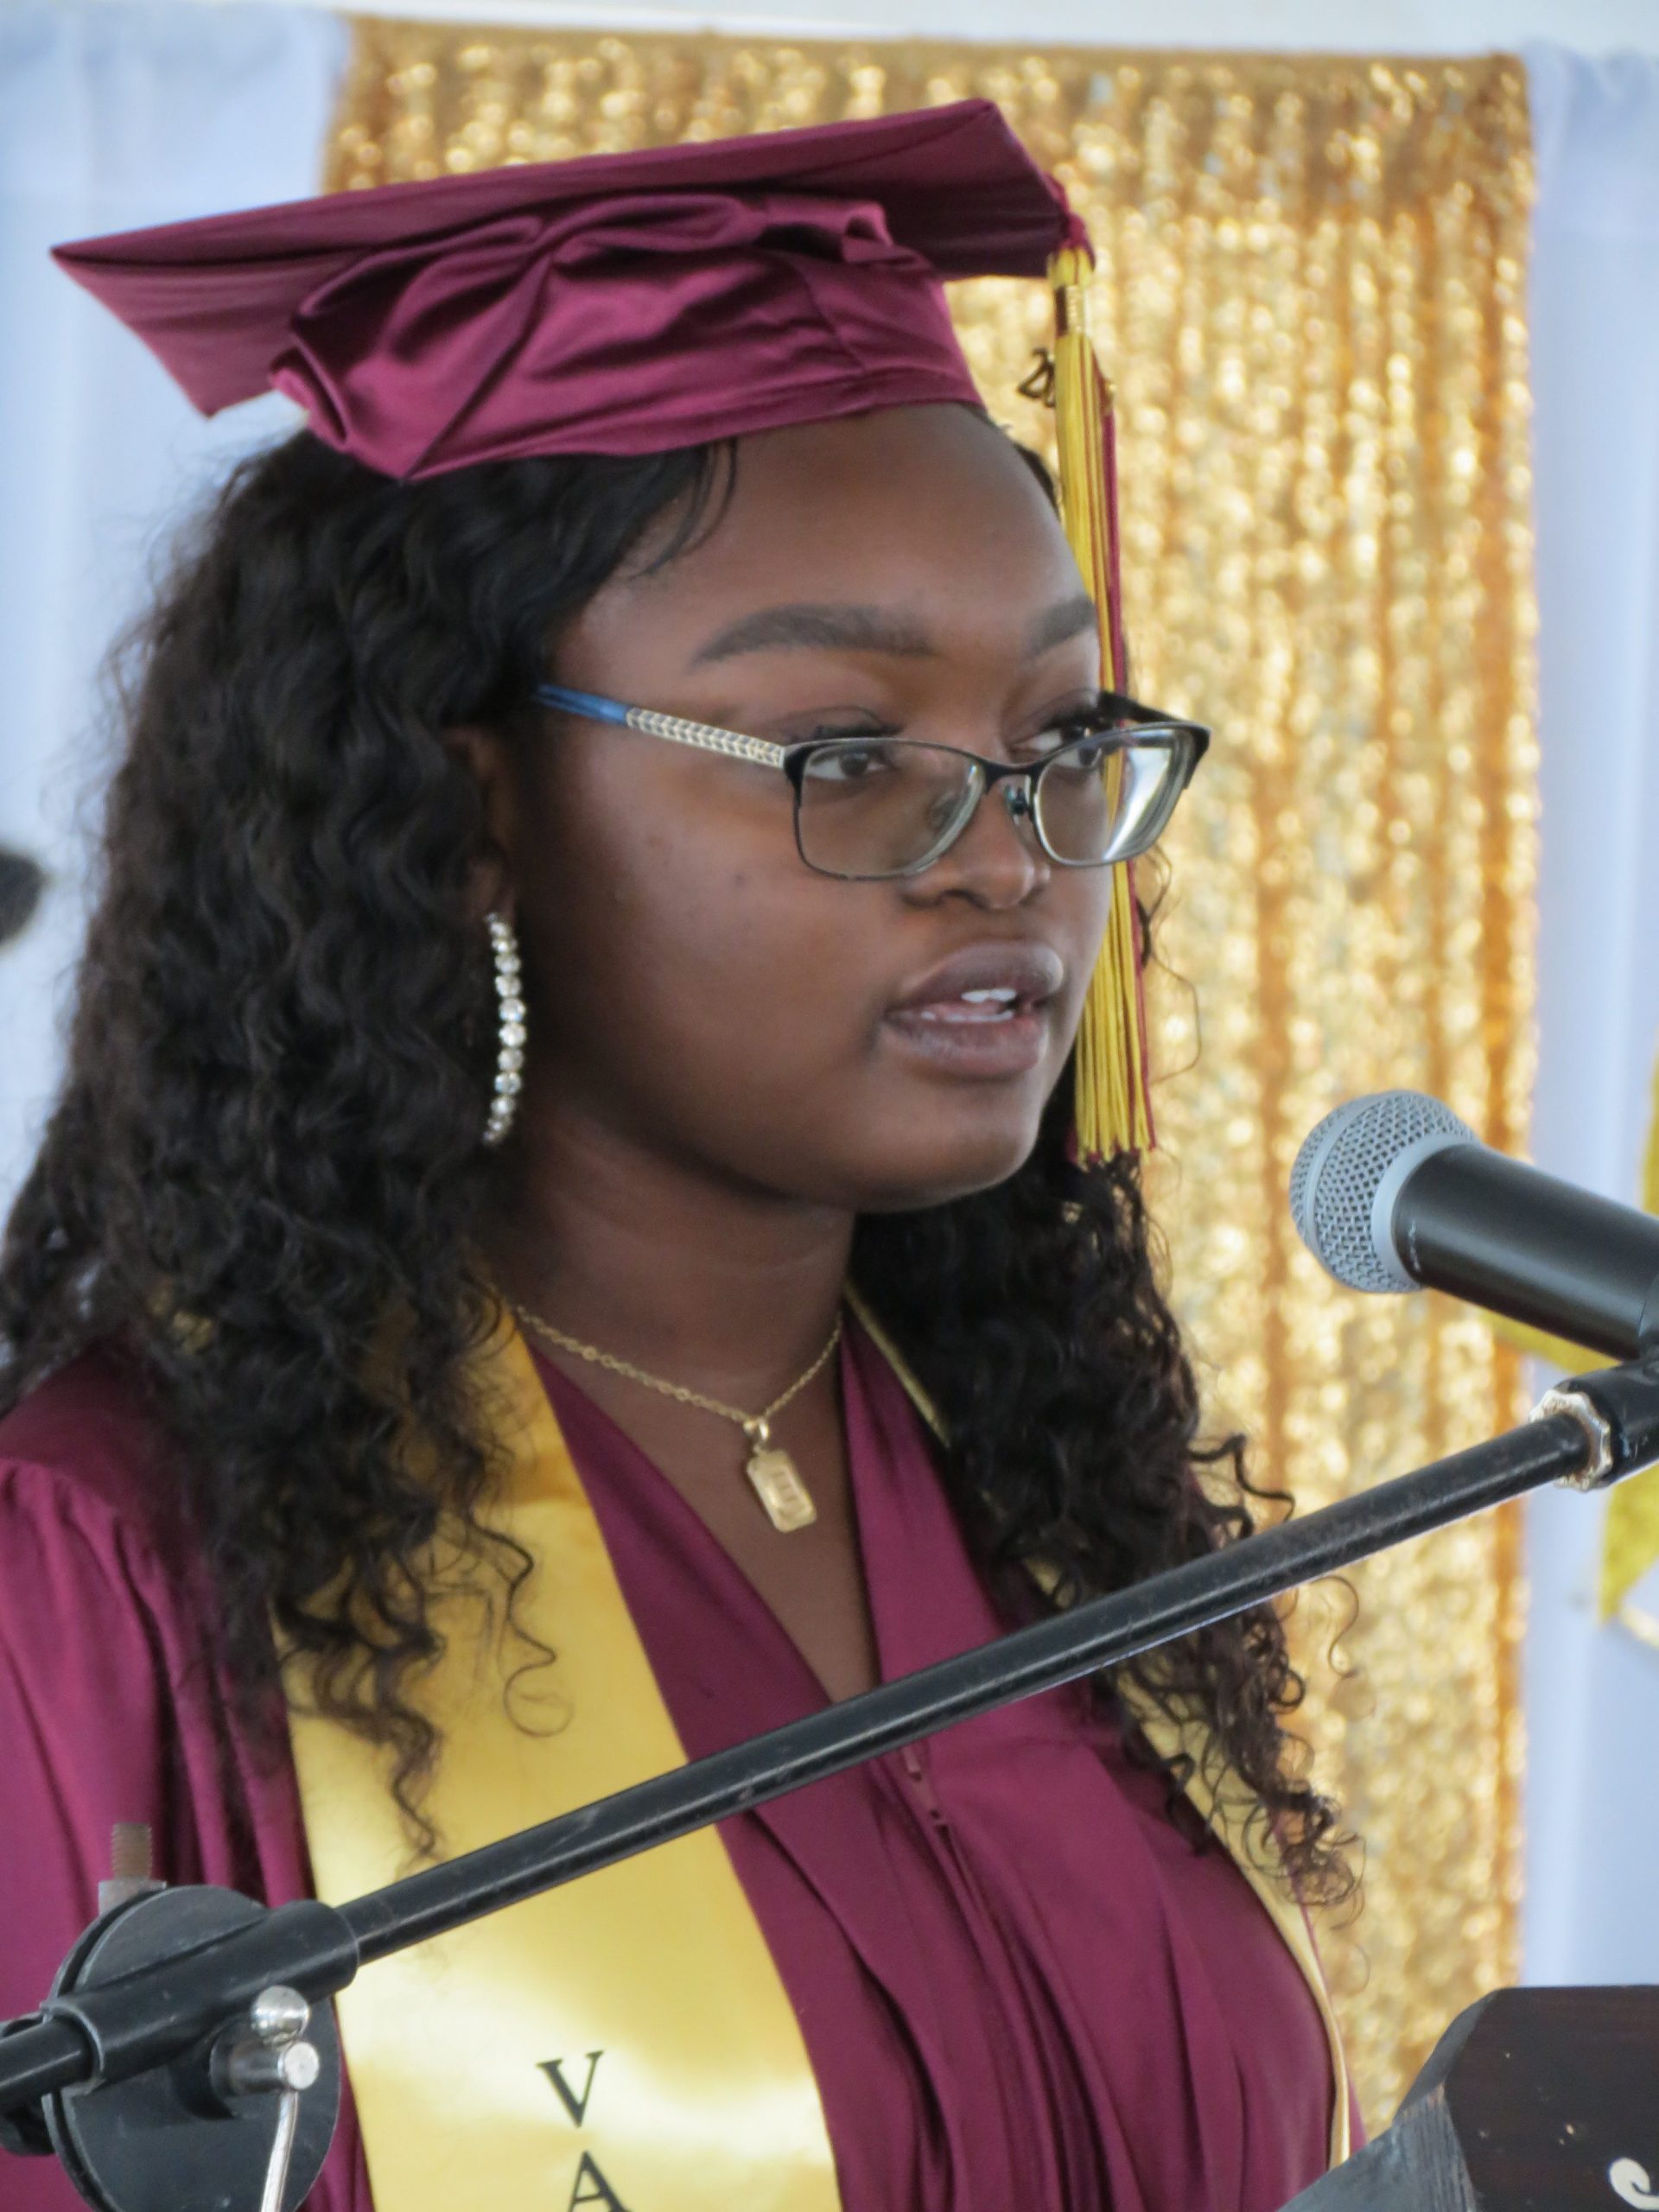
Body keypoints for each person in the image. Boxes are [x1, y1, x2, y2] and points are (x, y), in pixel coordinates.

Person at [0, 101, 1353, 2212]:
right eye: (845, 751)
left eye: (1063, 738)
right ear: (468, 815)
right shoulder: (104, 1566)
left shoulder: (1034, 1486)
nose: (1010, 858)